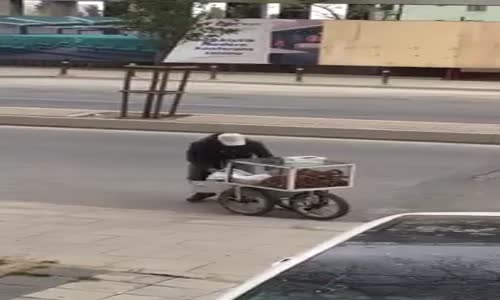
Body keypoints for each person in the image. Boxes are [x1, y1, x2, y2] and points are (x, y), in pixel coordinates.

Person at [186, 133, 273, 202]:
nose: (233, 147)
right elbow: (194, 159)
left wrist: (271, 170)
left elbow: (267, 158)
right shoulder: (203, 144)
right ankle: (203, 192)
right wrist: (210, 168)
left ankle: (243, 193)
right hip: (211, 158)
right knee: (196, 172)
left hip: (240, 159)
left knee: (244, 176)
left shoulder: (253, 144)